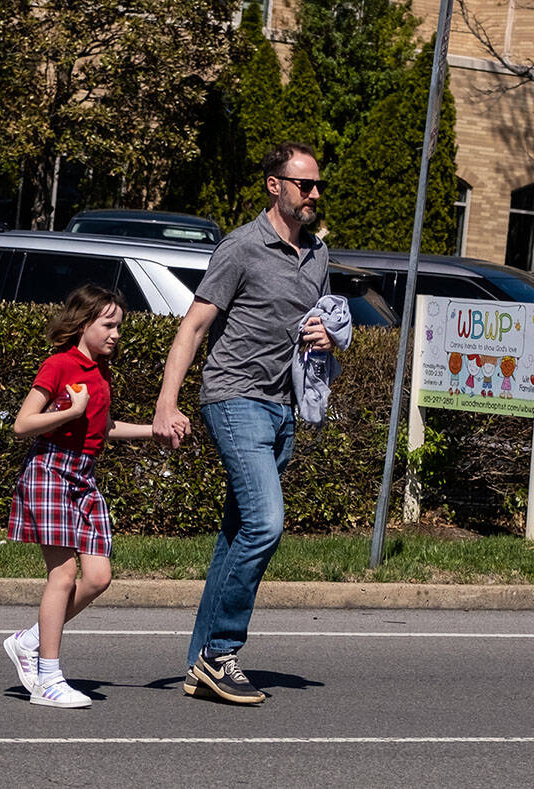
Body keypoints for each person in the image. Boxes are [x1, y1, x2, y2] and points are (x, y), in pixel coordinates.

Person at [152, 142, 336, 705]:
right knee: (265, 523)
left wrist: (329, 337)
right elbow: (194, 326)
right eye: (302, 184)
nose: (313, 195)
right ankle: (220, 652)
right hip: (234, 398)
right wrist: (167, 402)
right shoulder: (242, 246)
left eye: (317, 185)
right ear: (273, 186)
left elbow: (324, 321)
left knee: (237, 531)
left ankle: (200, 664)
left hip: (284, 408)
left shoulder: (318, 254)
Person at [2, 284, 155, 708]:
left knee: (99, 577)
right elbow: (22, 423)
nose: (115, 334)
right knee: (63, 575)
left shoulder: (100, 372)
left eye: (119, 326)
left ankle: (29, 641)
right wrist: (67, 411)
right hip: (51, 469)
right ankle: (48, 677)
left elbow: (101, 428)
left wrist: (155, 432)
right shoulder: (59, 365)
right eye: (108, 325)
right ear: (83, 323)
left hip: (83, 476)